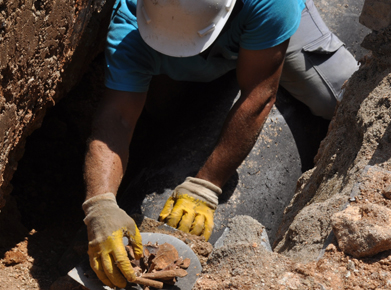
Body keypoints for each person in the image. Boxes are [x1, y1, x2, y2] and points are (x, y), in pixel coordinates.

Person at [81, 0, 359, 287]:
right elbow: (117, 118)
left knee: (338, 99)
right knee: (164, 112)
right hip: (175, 37)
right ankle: (215, 76)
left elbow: (259, 95)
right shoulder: (132, 20)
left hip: (259, 27)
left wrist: (207, 184)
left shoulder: (270, 4)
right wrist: (100, 204)